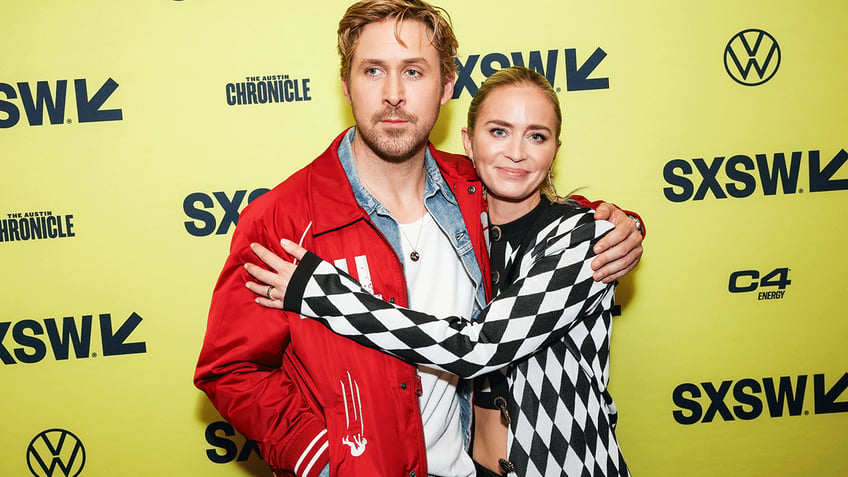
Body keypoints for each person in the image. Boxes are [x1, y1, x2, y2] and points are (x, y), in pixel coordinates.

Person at [194, 1, 642, 476]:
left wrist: (620, 225)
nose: (392, 94)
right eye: (372, 71)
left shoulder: (473, 189)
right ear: (345, 86)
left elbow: (540, 215)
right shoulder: (280, 220)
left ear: (446, 86)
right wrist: (320, 459)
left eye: (413, 71)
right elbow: (231, 371)